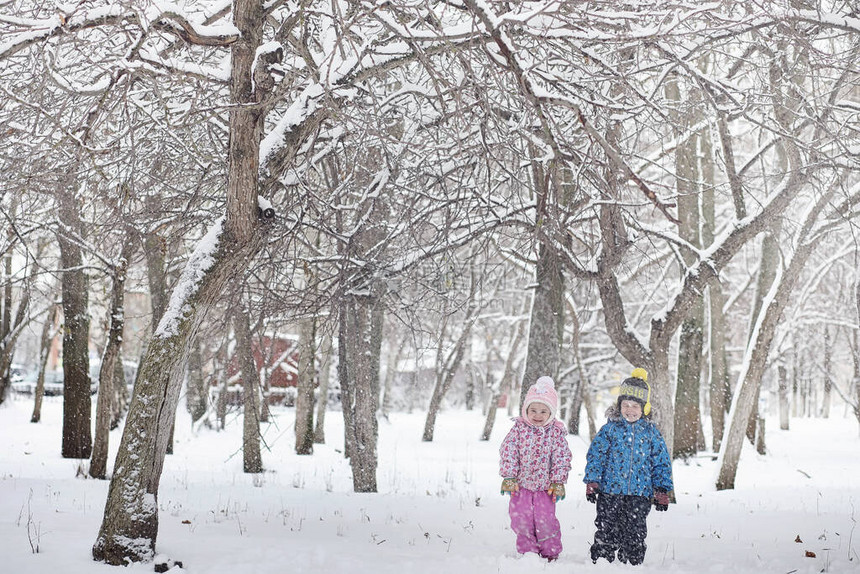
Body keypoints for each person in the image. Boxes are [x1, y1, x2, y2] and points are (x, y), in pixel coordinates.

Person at [583, 368, 672, 566]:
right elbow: (596, 455)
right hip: (610, 491)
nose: (630, 410)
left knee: (635, 530)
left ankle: (632, 563)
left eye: (635, 406)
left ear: (644, 408)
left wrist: (662, 489)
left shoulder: (651, 433)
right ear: (619, 405)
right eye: (626, 405)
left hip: (640, 494)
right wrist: (592, 480)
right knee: (607, 527)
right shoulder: (610, 429)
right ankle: (602, 563)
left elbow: (661, 462)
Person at [499, 376, 572, 562]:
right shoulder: (518, 429)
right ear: (526, 410)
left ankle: (550, 552)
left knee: (545, 521)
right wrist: (509, 476)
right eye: (533, 410)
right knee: (520, 519)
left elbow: (562, 457)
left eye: (543, 411)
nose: (537, 415)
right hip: (521, 487)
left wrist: (558, 481)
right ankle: (528, 552)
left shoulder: (555, 433)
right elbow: (508, 451)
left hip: (544, 488)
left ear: (551, 413)